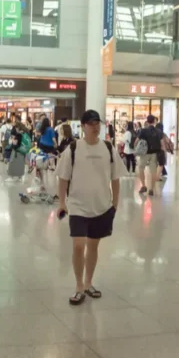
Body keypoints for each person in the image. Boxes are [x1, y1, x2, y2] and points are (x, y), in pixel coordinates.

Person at [57, 110, 124, 306]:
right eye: (92, 123)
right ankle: (78, 285)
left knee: (93, 246)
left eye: (98, 123)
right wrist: (62, 202)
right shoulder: (74, 148)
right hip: (78, 206)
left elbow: (116, 178)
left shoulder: (108, 148)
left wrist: (115, 203)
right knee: (79, 246)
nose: (96, 127)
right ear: (83, 126)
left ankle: (88, 283)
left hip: (102, 206)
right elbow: (63, 178)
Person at [136, 116, 164, 196]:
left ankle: (144, 186)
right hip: (154, 153)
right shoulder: (158, 131)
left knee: (141, 168)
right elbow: (162, 144)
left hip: (145, 153)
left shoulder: (143, 131)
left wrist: (135, 148)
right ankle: (151, 189)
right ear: (155, 121)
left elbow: (137, 141)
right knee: (153, 171)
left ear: (147, 121)